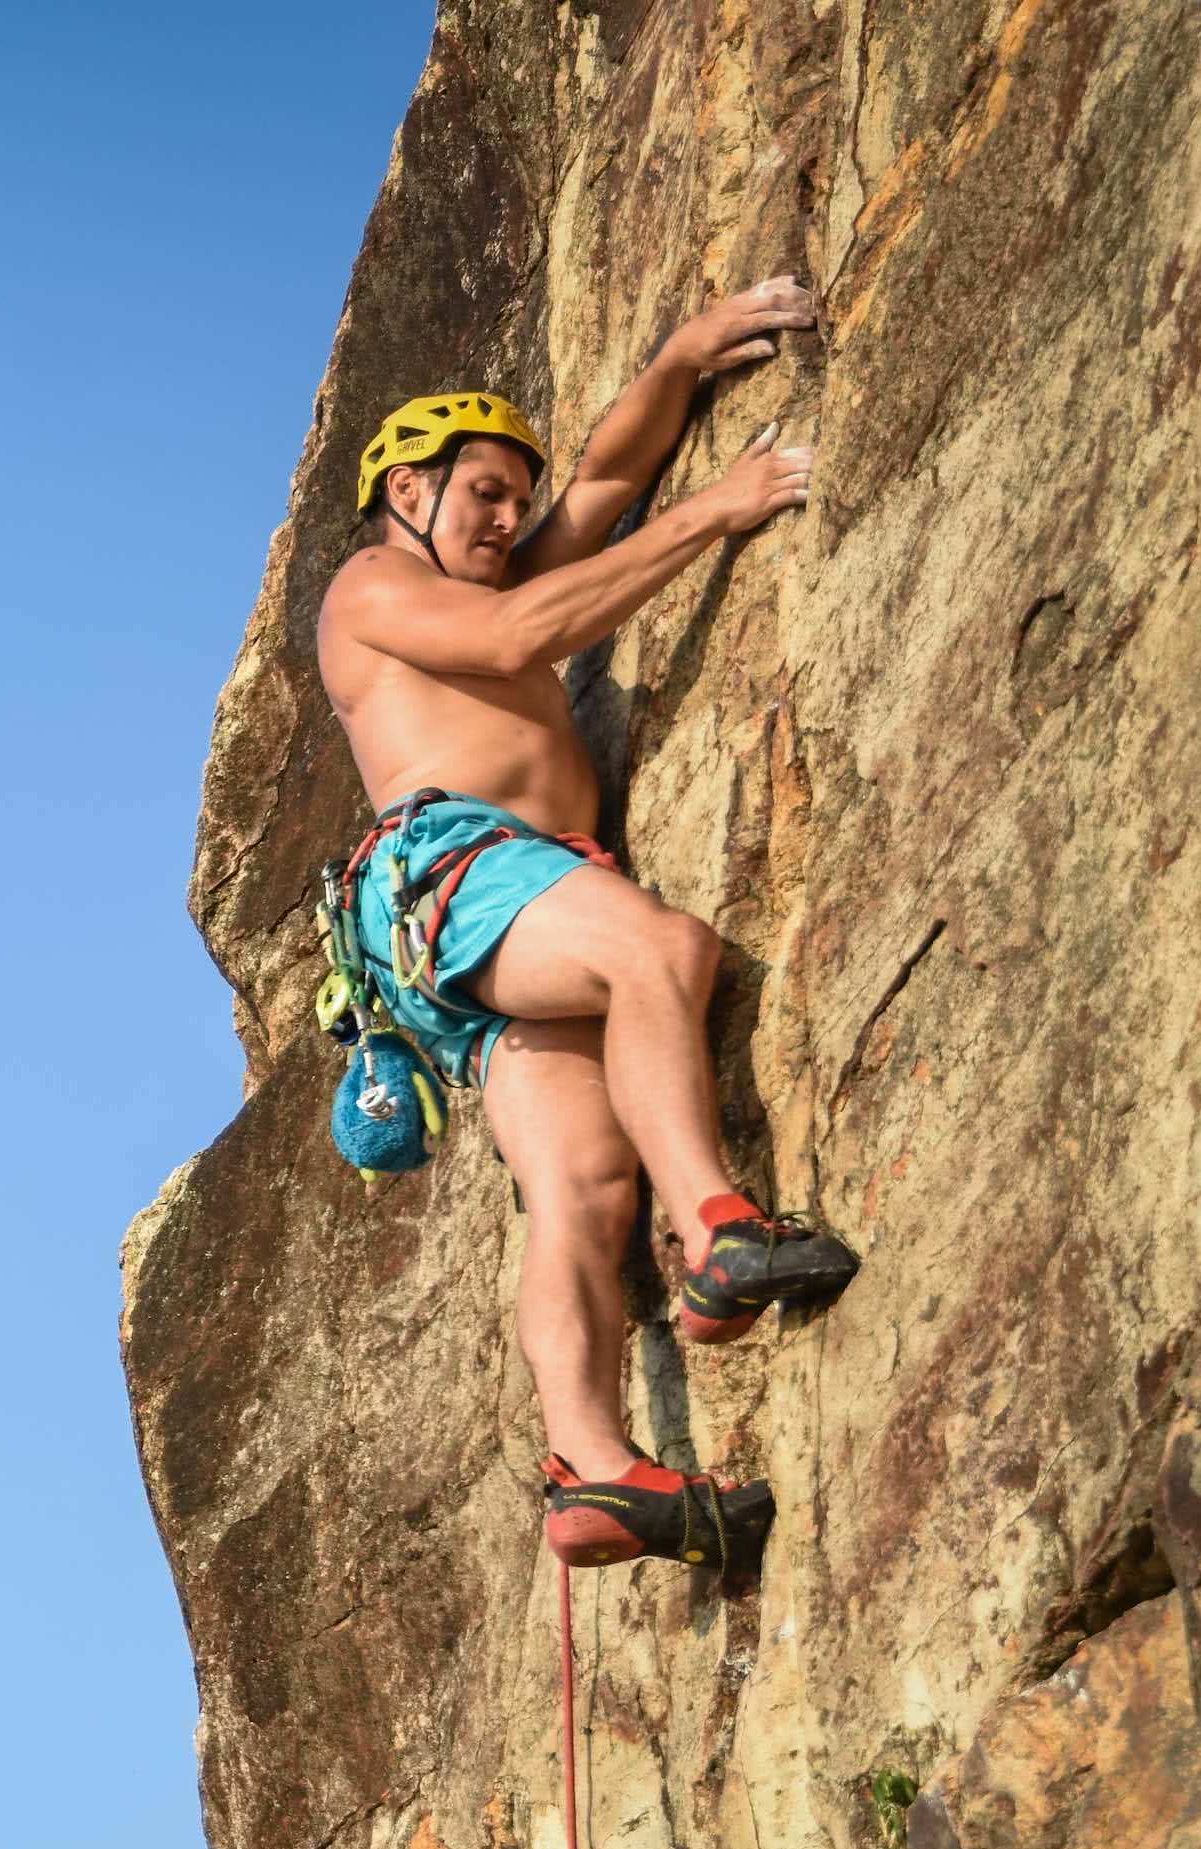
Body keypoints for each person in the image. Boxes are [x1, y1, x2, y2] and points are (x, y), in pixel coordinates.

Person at [315, 279, 857, 1568]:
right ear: (408, 492)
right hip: (462, 867)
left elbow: (605, 486)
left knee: (582, 1186)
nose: (511, 519)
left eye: (516, 498)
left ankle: (595, 1472)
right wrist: (720, 508)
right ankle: (720, 1230)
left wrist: (681, 360)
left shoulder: (477, 571)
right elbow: (522, 632)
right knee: (658, 950)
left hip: (466, 926)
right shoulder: (374, 584)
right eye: (484, 494)